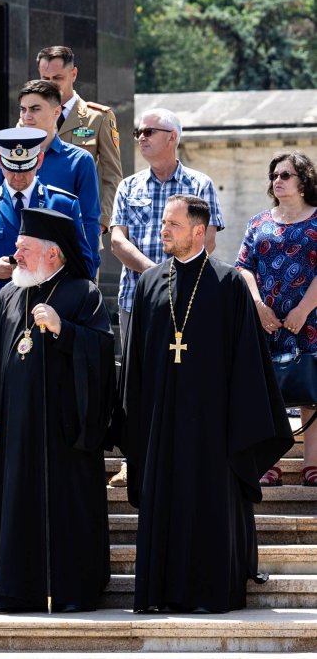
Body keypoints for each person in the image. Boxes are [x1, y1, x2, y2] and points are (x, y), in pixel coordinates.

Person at [117, 194, 293, 614]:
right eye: (163, 224)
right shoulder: (148, 283)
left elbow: (248, 363)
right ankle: (160, 594)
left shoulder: (229, 284)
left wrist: (239, 425)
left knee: (210, 506)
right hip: (162, 423)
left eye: (172, 225)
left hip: (214, 425)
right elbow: (136, 362)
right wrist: (133, 422)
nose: (163, 231)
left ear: (199, 231)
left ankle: (212, 592)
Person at [0, 208, 115, 612]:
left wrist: (65, 331)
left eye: (24, 249)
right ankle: (13, 591)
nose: (16, 256)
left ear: (53, 254)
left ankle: (69, 592)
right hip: (14, 431)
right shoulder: (9, 295)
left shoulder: (83, 293)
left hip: (63, 435)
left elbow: (102, 356)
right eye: (17, 248)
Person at [108, 108, 225, 487]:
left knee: (185, 379)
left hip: (188, 302)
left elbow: (206, 240)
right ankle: (135, 458)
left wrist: (174, 279)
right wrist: (156, 277)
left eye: (149, 131)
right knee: (137, 381)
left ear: (172, 137)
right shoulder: (128, 186)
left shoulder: (199, 183)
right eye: (138, 131)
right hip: (137, 300)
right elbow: (117, 240)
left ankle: (185, 451)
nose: (140, 136)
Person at [0, 128, 96, 349]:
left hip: (49, 313)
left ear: (39, 161)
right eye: (10, 169)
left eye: (25, 169)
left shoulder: (62, 204)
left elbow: (85, 265)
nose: (18, 177)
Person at [236, 150, 317, 486]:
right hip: (266, 322)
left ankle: (312, 464)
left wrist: (303, 310)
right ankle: (268, 461)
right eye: (274, 176)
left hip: (311, 320)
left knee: (312, 392)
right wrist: (258, 305)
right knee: (267, 392)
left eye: (285, 175)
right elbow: (243, 267)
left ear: (304, 181)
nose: (277, 181)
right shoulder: (259, 222)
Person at [0, 80, 101, 272]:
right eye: (23, 110)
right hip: (9, 269)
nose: (27, 116)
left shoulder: (80, 160)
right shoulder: (3, 159)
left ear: (56, 112)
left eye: (35, 109)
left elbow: (89, 221)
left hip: (59, 269)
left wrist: (86, 270)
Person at [36, 45, 122, 234]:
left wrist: (102, 221)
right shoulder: (29, 117)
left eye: (58, 78)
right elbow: (2, 162)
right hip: (35, 223)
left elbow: (112, 175)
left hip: (80, 225)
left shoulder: (98, 117)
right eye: (45, 79)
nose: (51, 84)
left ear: (73, 74)